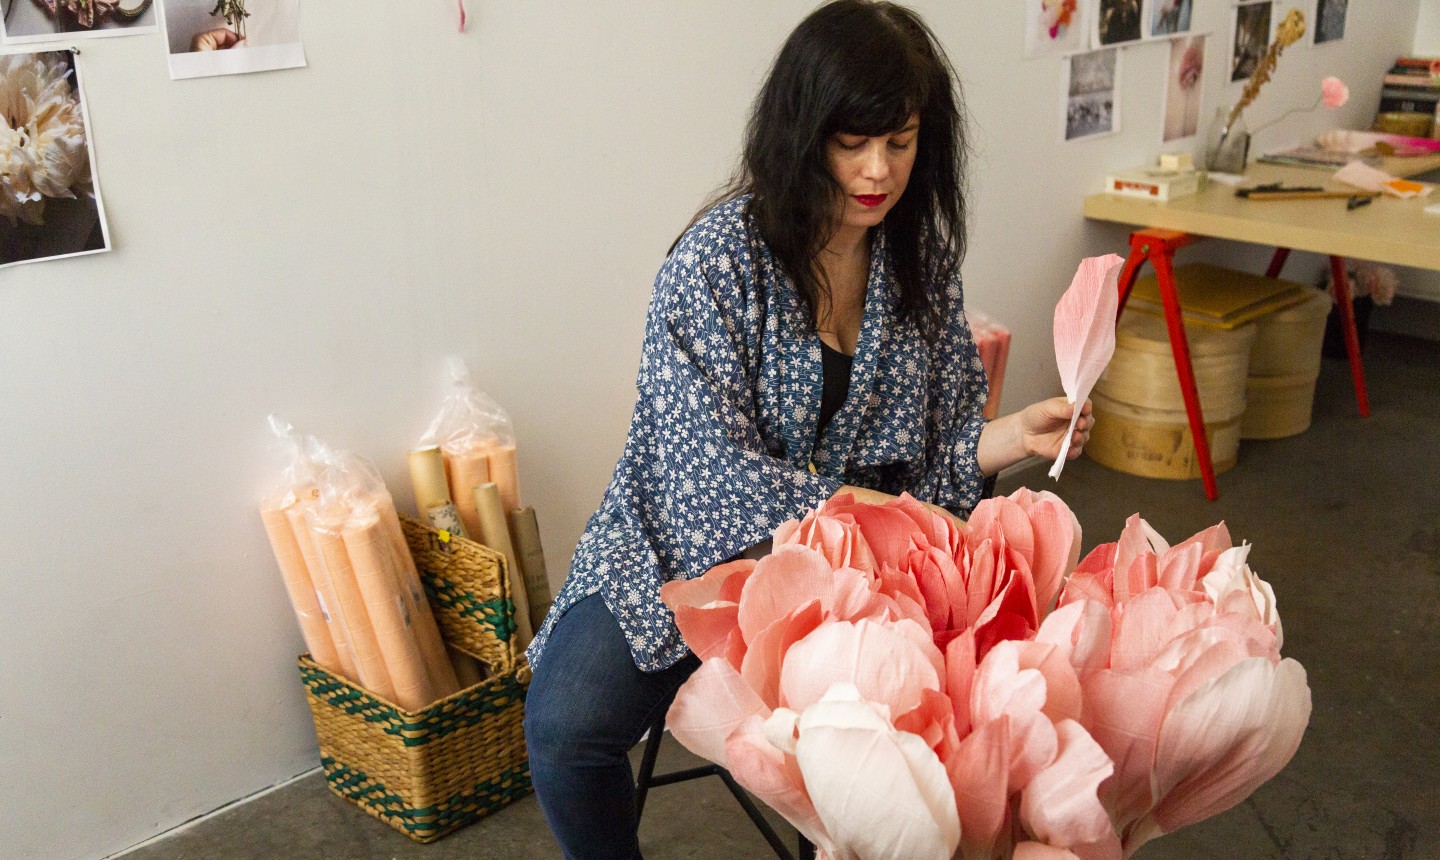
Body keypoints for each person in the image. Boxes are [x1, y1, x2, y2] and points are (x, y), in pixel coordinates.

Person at [522, 3, 1092, 857]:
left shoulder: (919, 258)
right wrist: (864, 503)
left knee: (932, 748)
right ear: (801, 134)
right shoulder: (716, 262)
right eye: (850, 142)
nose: (877, 171)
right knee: (565, 730)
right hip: (683, 546)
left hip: (861, 575)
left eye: (899, 143)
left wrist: (1011, 436)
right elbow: (701, 474)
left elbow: (932, 462)